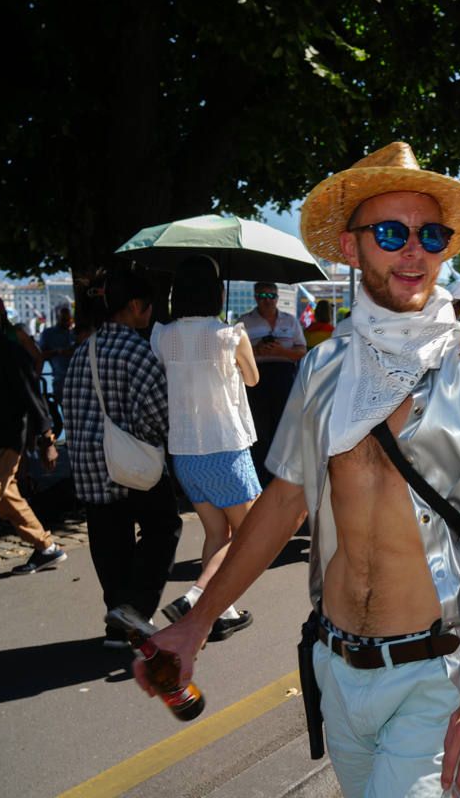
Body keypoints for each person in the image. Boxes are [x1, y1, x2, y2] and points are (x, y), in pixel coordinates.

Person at [137, 142, 460, 798]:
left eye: (431, 235)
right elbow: (283, 503)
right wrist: (196, 623)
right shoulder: (323, 369)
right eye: (391, 233)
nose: (414, 251)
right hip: (335, 672)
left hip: (434, 678)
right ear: (350, 247)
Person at [63, 267, 182, 647]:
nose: (150, 311)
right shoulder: (136, 350)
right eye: (148, 304)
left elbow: (71, 409)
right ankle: (134, 609)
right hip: (133, 466)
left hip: (90, 466)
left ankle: (118, 625)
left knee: (109, 543)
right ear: (134, 305)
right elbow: (159, 414)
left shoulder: (84, 350)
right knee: (163, 527)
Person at [150, 255, 259, 641]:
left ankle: (222, 611)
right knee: (248, 535)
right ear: (217, 292)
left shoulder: (162, 335)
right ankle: (199, 594)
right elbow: (253, 378)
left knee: (216, 533)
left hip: (184, 450)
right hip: (225, 446)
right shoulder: (230, 335)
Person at [0, 287, 66, 598]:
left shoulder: (8, 350)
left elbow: (32, 396)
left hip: (3, 440)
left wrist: (47, 439)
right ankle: (47, 547)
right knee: (6, 498)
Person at [237, 282, 307, 484]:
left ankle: (280, 480)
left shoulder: (291, 320)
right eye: (262, 295)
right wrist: (256, 351)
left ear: (277, 297)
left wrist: (282, 351)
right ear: (255, 297)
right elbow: (236, 355)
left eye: (271, 295)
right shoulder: (244, 321)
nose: (267, 299)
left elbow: (302, 352)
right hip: (255, 384)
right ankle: (259, 479)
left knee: (282, 434)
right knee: (259, 436)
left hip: (284, 383)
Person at [39, 304, 76, 407]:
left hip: (78, 375)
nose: (66, 323)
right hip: (61, 375)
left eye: (69, 320)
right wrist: (57, 352)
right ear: (57, 317)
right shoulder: (48, 333)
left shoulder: (75, 333)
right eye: (64, 320)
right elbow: (40, 353)